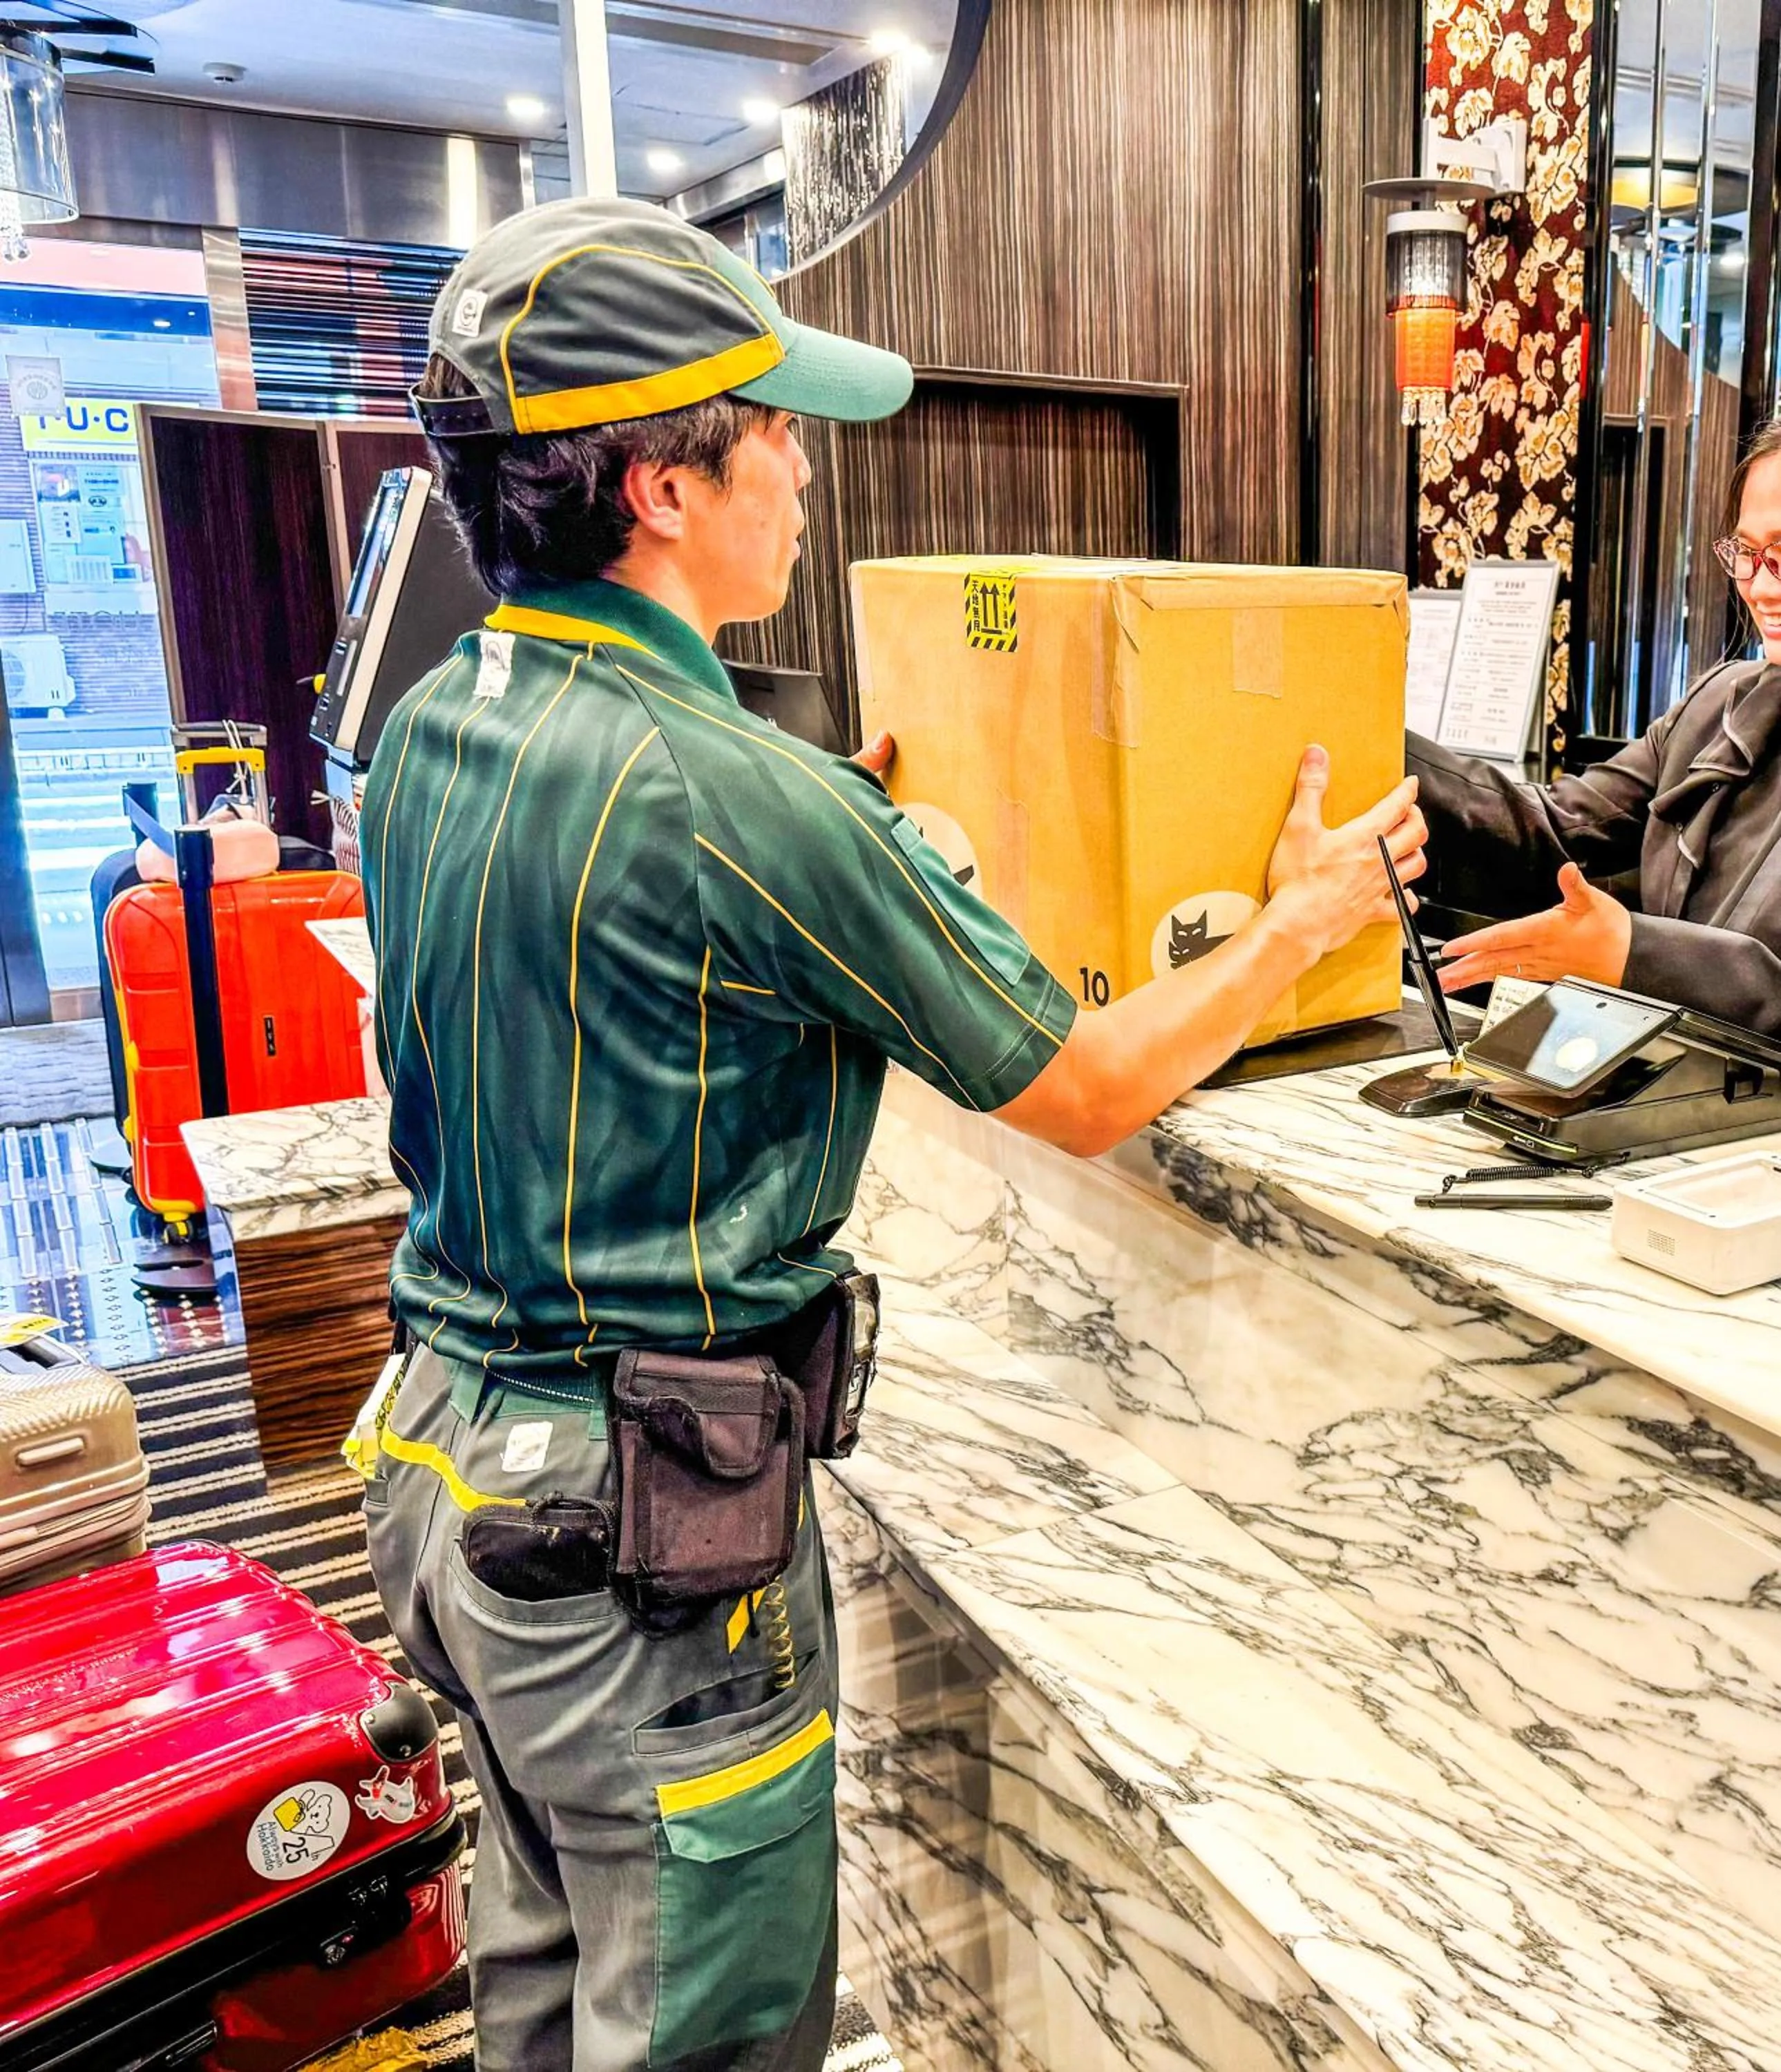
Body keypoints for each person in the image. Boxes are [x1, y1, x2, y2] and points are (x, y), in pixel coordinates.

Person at [355, 194, 1426, 2072]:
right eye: (770, 426)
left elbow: (600, 956)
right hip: (633, 1548)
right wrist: (1301, 925)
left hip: (446, 1482)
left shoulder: (446, 715)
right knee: (703, 2031)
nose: (796, 468)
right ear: (659, 490)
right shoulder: (745, 801)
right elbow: (1086, 1089)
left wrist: (824, 860)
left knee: (540, 1986)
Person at [1411, 421, 1781, 1033]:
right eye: (1747, 554)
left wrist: (1636, 953)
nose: (1762, 587)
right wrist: (1362, 739)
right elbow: (1559, 826)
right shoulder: (1716, 705)